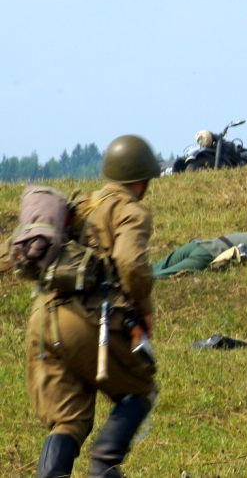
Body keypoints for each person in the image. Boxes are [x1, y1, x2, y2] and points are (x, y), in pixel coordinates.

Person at [27, 135, 161, 478]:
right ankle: (103, 467)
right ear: (141, 178)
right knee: (138, 389)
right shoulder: (129, 210)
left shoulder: (79, 206)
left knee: (67, 421)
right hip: (87, 322)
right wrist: (144, 305)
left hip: (43, 320)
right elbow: (131, 265)